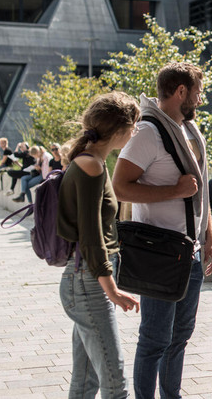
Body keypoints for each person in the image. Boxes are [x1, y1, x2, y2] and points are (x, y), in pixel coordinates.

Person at [112, 62, 212, 399]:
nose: (200, 100)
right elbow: (120, 187)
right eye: (198, 92)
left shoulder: (188, 130)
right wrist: (174, 190)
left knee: (180, 337)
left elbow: (199, 194)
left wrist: (210, 239)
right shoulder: (148, 132)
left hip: (192, 253)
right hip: (160, 254)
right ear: (181, 92)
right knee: (155, 340)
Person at [57, 91, 141, 398]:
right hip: (89, 282)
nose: (134, 132)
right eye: (134, 125)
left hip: (85, 280)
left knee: (85, 382)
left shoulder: (91, 161)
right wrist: (112, 289)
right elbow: (91, 237)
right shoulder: (91, 166)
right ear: (119, 130)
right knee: (115, 385)